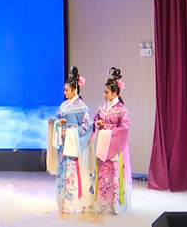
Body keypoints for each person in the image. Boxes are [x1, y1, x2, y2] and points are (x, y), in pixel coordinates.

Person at [53, 66, 94, 213]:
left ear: (75, 90)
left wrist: (71, 133)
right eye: (64, 90)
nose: (64, 93)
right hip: (65, 145)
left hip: (75, 145)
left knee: (73, 173)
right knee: (63, 172)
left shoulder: (82, 107)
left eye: (67, 90)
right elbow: (57, 118)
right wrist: (57, 123)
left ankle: (73, 204)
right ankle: (64, 202)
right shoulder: (63, 105)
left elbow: (88, 126)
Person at [92, 67, 132, 214]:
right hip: (104, 145)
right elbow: (96, 120)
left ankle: (116, 205)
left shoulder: (122, 110)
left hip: (116, 146)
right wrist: (97, 124)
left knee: (115, 173)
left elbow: (124, 128)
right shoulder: (102, 108)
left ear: (115, 93)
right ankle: (103, 204)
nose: (104, 95)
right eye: (104, 92)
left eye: (107, 92)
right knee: (104, 174)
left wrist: (108, 134)